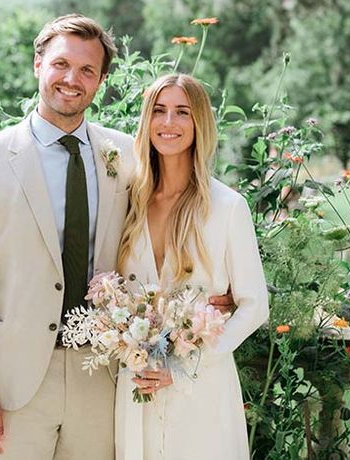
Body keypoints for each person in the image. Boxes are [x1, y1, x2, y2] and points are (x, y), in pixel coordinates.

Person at [0, 15, 233, 458]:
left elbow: (175, 217)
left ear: (100, 81)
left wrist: (213, 297)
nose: (72, 80)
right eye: (61, 64)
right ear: (38, 64)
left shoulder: (128, 157)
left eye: (87, 71)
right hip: (12, 386)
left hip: (105, 378)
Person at [113, 74, 269, 460]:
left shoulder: (227, 207)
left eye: (182, 112)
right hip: (137, 385)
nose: (169, 123)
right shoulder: (128, 202)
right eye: (159, 111)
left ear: (199, 123)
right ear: (146, 121)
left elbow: (254, 306)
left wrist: (186, 364)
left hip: (201, 385)